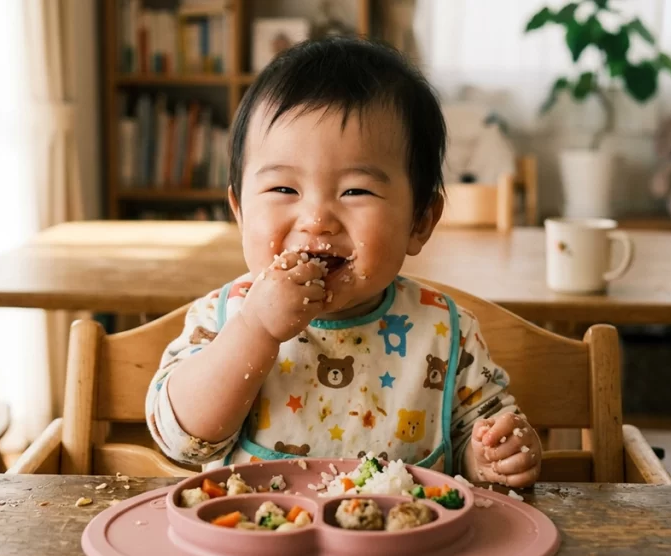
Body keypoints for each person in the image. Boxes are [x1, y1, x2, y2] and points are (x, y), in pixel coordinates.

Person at [145, 37, 541, 487]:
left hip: (404, 551)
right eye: (283, 190)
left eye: (356, 191)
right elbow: (183, 439)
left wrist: (492, 456)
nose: (316, 220)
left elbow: (483, 435)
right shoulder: (222, 319)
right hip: (259, 548)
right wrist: (255, 329)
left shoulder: (448, 333)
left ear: (420, 221)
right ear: (239, 212)